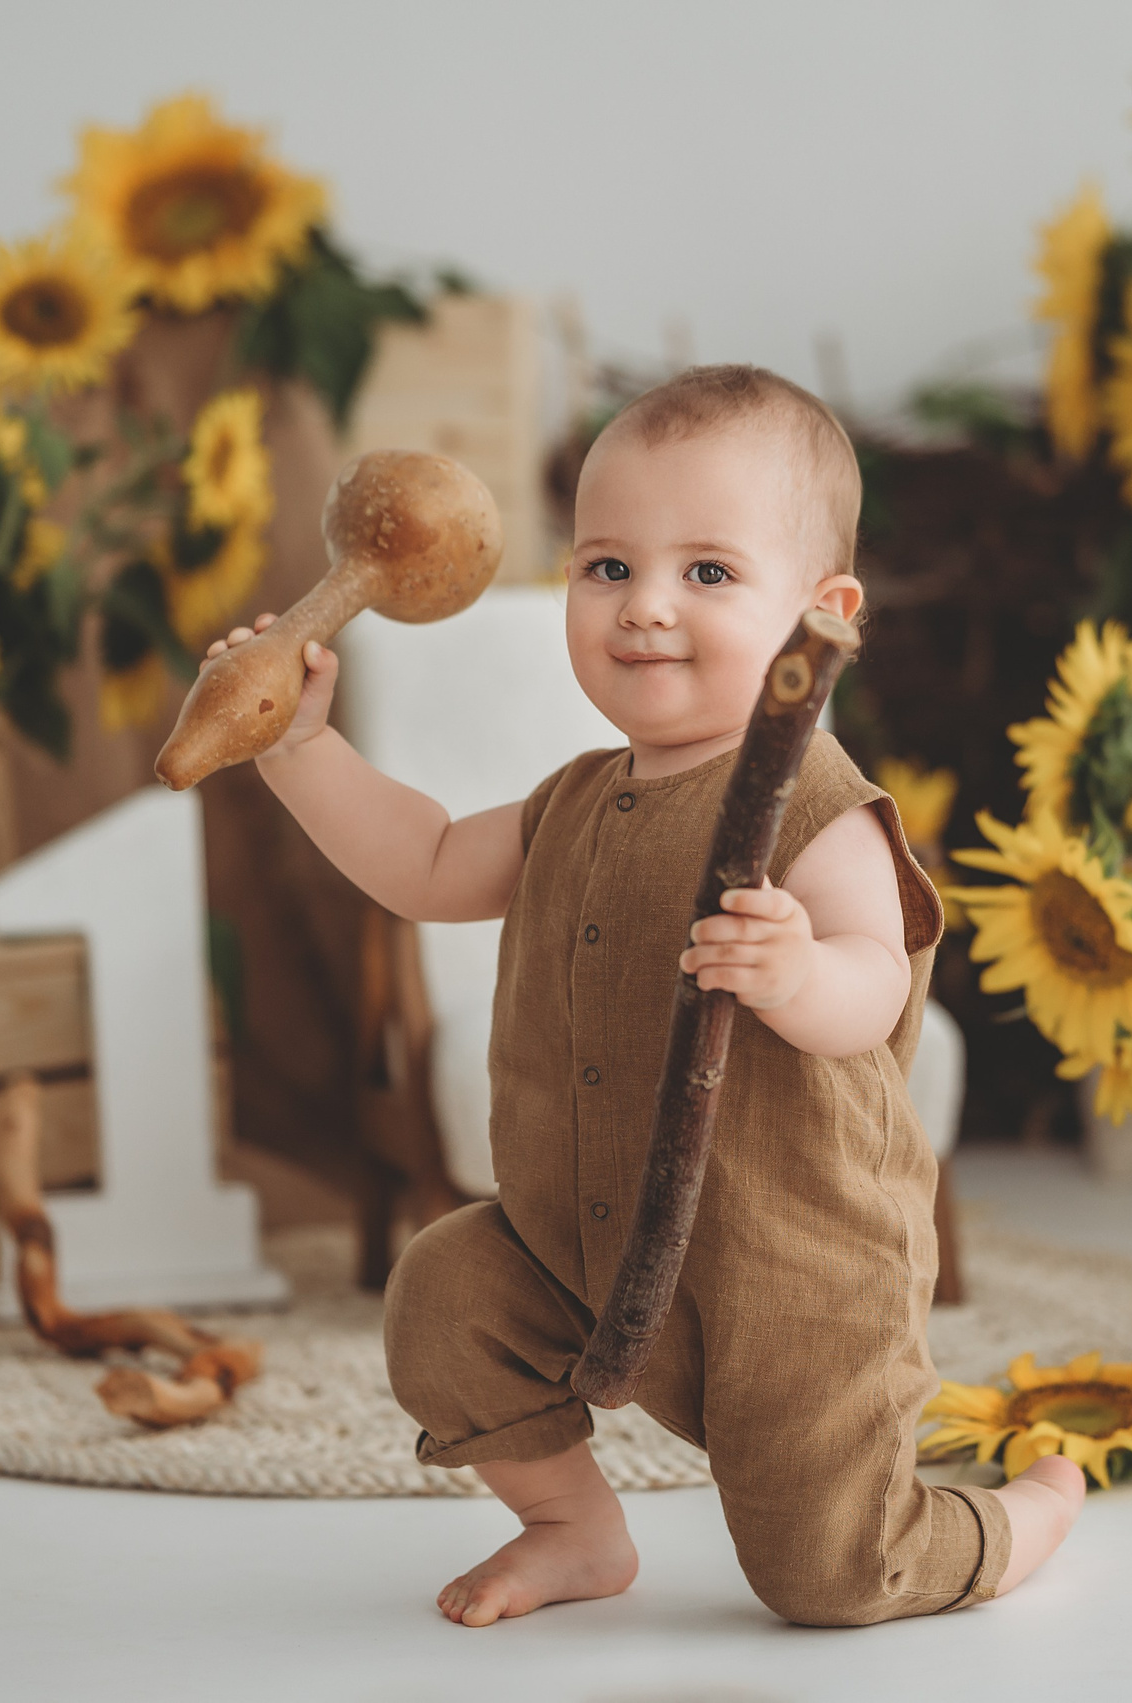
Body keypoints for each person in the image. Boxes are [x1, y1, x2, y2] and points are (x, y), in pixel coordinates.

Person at [207, 364, 1083, 1628]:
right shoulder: (575, 797)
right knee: (445, 1297)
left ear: (824, 614)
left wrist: (799, 971)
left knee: (831, 1573)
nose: (644, 606)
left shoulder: (819, 808)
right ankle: (570, 1525)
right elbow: (426, 863)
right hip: (577, 1245)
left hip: (788, 1273)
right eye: (606, 566)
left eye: (708, 571)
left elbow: (875, 984)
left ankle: (1019, 1518)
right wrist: (298, 747)